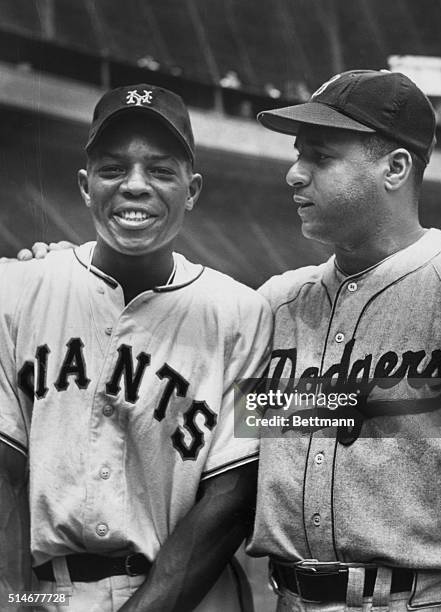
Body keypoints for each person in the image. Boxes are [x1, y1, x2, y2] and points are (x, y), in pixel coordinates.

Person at [0, 83, 272, 612]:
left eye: (161, 171)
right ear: (85, 185)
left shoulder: (241, 312)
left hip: (188, 596)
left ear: (192, 190)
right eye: (112, 169)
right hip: (49, 592)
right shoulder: (17, 290)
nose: (135, 186)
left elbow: (232, 497)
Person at [246, 69, 441, 611]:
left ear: (395, 168)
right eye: (297, 153)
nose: (294, 174)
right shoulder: (275, 301)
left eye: (320, 157)